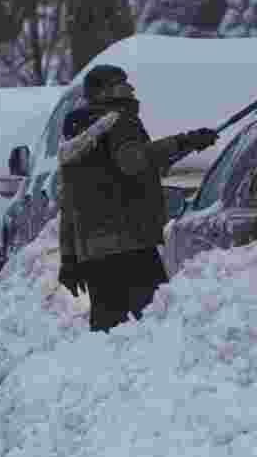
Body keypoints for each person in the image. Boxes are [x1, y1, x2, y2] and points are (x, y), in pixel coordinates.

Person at [56, 64, 219, 332]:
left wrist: (70, 259)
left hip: (94, 252)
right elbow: (134, 162)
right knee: (153, 323)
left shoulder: (75, 133)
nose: (129, 89)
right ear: (106, 91)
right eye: (122, 84)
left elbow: (70, 201)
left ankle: (101, 373)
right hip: (131, 244)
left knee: (107, 331)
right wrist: (183, 142)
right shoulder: (120, 121)